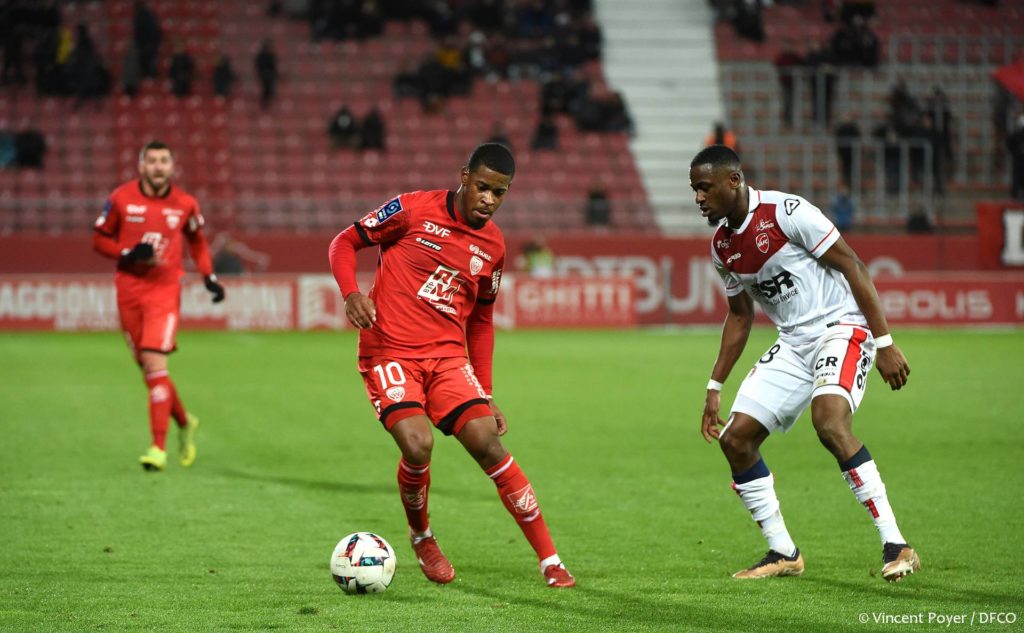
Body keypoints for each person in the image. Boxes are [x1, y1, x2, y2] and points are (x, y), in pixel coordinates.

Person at [328, 143, 575, 589]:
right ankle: (422, 536)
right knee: (417, 444)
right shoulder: (411, 210)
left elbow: (481, 321)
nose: (488, 199)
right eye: (482, 187)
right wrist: (351, 293)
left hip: (447, 359)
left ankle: (550, 560)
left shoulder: (493, 245)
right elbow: (344, 242)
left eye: (499, 193)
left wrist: (486, 392)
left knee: (488, 443)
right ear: (464, 176)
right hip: (390, 351)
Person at [690, 145, 919, 583]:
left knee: (829, 423)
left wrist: (885, 342)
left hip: (841, 327)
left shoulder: (786, 212)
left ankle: (897, 544)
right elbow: (739, 317)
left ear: (733, 181)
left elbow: (853, 265)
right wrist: (714, 385)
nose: (699, 198)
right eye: (694, 190)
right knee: (736, 439)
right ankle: (783, 551)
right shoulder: (722, 248)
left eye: (705, 187)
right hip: (793, 344)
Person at [92, 140, 226, 471]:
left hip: (164, 289)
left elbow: (197, 241)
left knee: (154, 361)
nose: (157, 166)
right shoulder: (121, 198)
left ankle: (158, 447)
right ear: (141, 165)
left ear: (172, 166)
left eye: (163, 160)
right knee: (150, 369)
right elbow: (99, 239)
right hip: (128, 290)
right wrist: (126, 254)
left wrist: (208, 275)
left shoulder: (185, 204)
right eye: (151, 160)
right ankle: (185, 422)